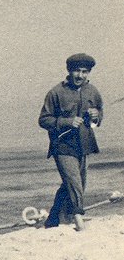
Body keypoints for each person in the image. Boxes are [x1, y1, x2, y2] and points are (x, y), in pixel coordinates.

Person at [39, 53, 103, 231]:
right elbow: (43, 120)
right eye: (77, 71)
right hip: (62, 145)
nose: (80, 75)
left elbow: (99, 113)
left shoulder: (93, 91)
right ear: (69, 71)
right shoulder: (56, 92)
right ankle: (78, 219)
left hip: (84, 143)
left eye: (84, 72)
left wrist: (96, 116)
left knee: (77, 182)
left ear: (88, 73)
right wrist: (67, 122)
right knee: (74, 181)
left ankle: (53, 218)